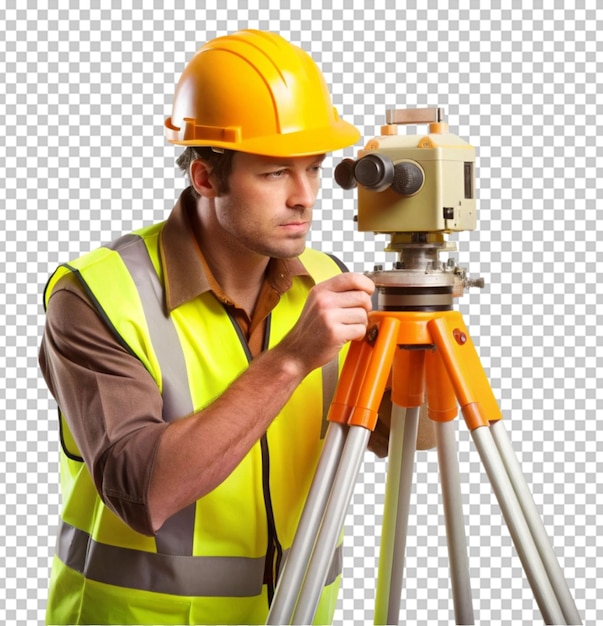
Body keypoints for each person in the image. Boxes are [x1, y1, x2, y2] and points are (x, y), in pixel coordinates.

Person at [40, 29, 433, 625]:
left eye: (314, 169)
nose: (305, 198)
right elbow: (143, 493)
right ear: (205, 177)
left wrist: (424, 341)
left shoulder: (327, 280)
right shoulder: (97, 295)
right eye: (275, 173)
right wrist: (293, 358)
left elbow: (406, 439)